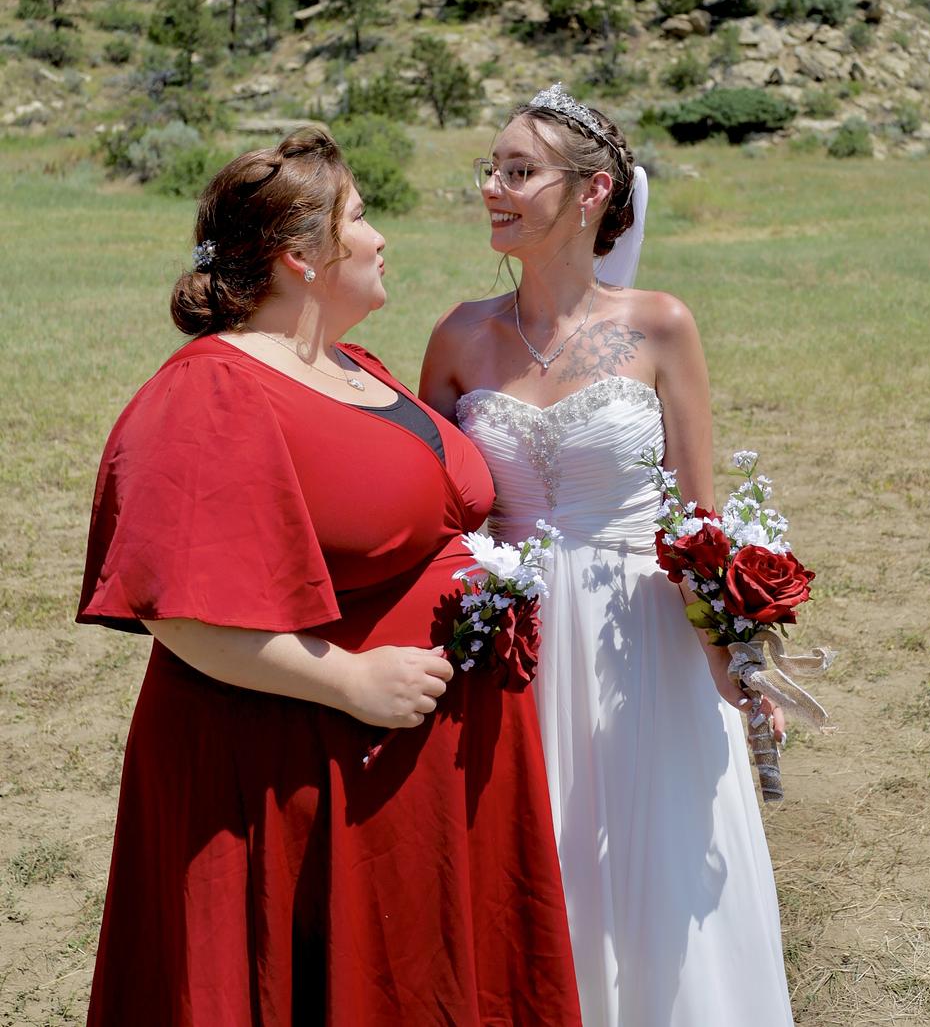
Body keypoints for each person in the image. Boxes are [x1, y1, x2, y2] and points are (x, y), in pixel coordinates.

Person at [78, 125, 582, 1026]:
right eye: (359, 216)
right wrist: (347, 679)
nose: (381, 236)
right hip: (294, 771)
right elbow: (178, 610)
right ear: (302, 256)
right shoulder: (209, 386)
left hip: (406, 768)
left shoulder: (353, 366)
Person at [420, 85, 795, 1027]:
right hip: (510, 647)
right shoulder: (458, 336)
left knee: (652, 870)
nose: (493, 188)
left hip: (643, 648)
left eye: (519, 171)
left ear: (591, 192)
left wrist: (737, 663)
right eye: (491, 169)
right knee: (530, 864)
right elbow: (433, 516)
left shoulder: (662, 324)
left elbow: (698, 521)